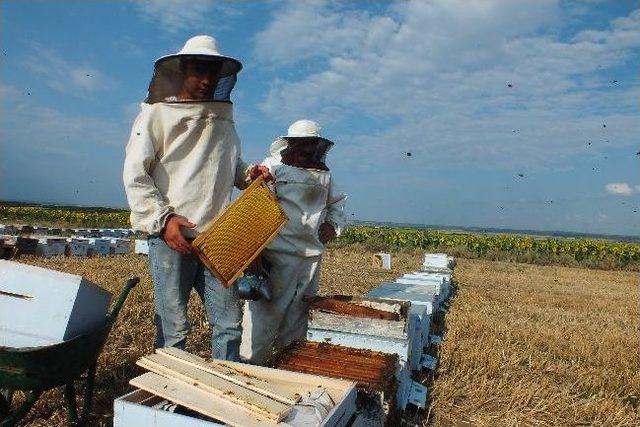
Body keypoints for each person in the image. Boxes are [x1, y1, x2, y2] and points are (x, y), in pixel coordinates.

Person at [123, 35, 269, 361]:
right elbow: (135, 174)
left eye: (212, 74)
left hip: (217, 240)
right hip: (172, 237)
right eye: (198, 72)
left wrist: (251, 174)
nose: (205, 81)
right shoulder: (156, 115)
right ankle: (169, 400)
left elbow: (229, 166)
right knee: (174, 328)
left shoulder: (222, 120)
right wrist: (164, 220)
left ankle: (224, 396)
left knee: (230, 325)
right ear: (182, 71)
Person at [240, 119, 346, 364]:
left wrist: (331, 224)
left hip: (310, 257)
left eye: (312, 144)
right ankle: (250, 369)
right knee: (264, 317)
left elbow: (337, 203)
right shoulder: (271, 168)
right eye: (303, 144)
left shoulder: (324, 174)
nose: (308, 150)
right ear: (291, 144)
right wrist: (254, 252)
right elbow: (256, 209)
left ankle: (289, 368)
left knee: (298, 316)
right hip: (276, 254)